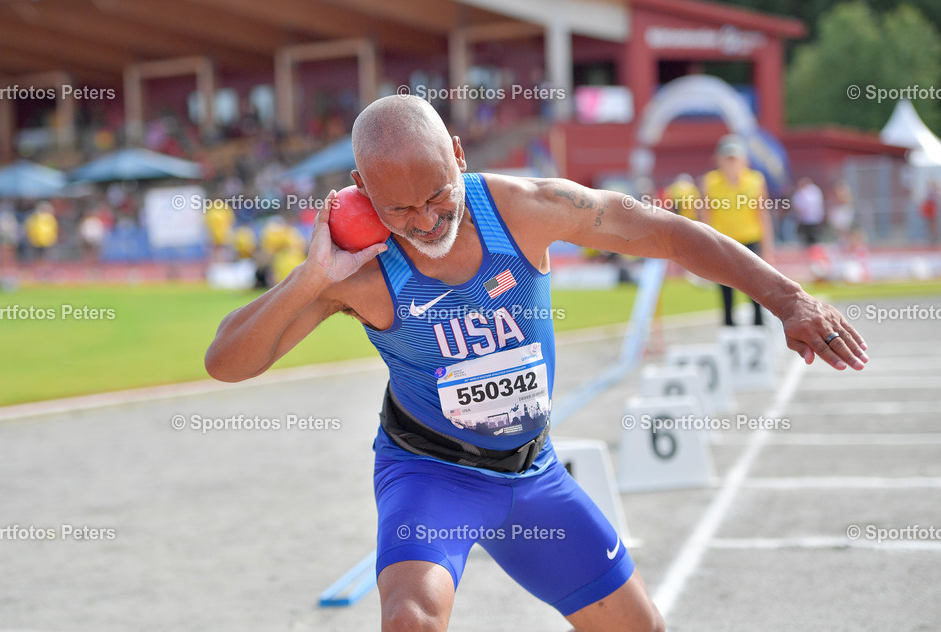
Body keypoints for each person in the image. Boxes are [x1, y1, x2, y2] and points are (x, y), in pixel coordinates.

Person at [205, 96, 867, 632]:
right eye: (399, 208)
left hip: (533, 473)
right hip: (432, 477)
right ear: (361, 192)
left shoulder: (525, 210)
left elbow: (663, 232)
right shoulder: (359, 272)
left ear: (458, 155)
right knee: (410, 618)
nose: (426, 221)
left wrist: (788, 298)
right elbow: (225, 362)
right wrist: (311, 279)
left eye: (437, 195)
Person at [700, 134, 775, 326]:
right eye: (727, 158)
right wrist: (704, 247)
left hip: (750, 238)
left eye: (735, 158)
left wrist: (767, 248)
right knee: (725, 286)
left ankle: (758, 323)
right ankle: (728, 325)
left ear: (744, 160)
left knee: (755, 285)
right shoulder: (710, 181)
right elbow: (705, 216)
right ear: (719, 160)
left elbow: (763, 214)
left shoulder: (755, 180)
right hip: (722, 240)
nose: (731, 163)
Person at [792, 178, 825, 247]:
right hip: (804, 219)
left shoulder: (814, 191)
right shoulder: (799, 192)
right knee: (805, 236)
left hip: (814, 218)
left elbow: (815, 204)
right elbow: (796, 204)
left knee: (815, 235)